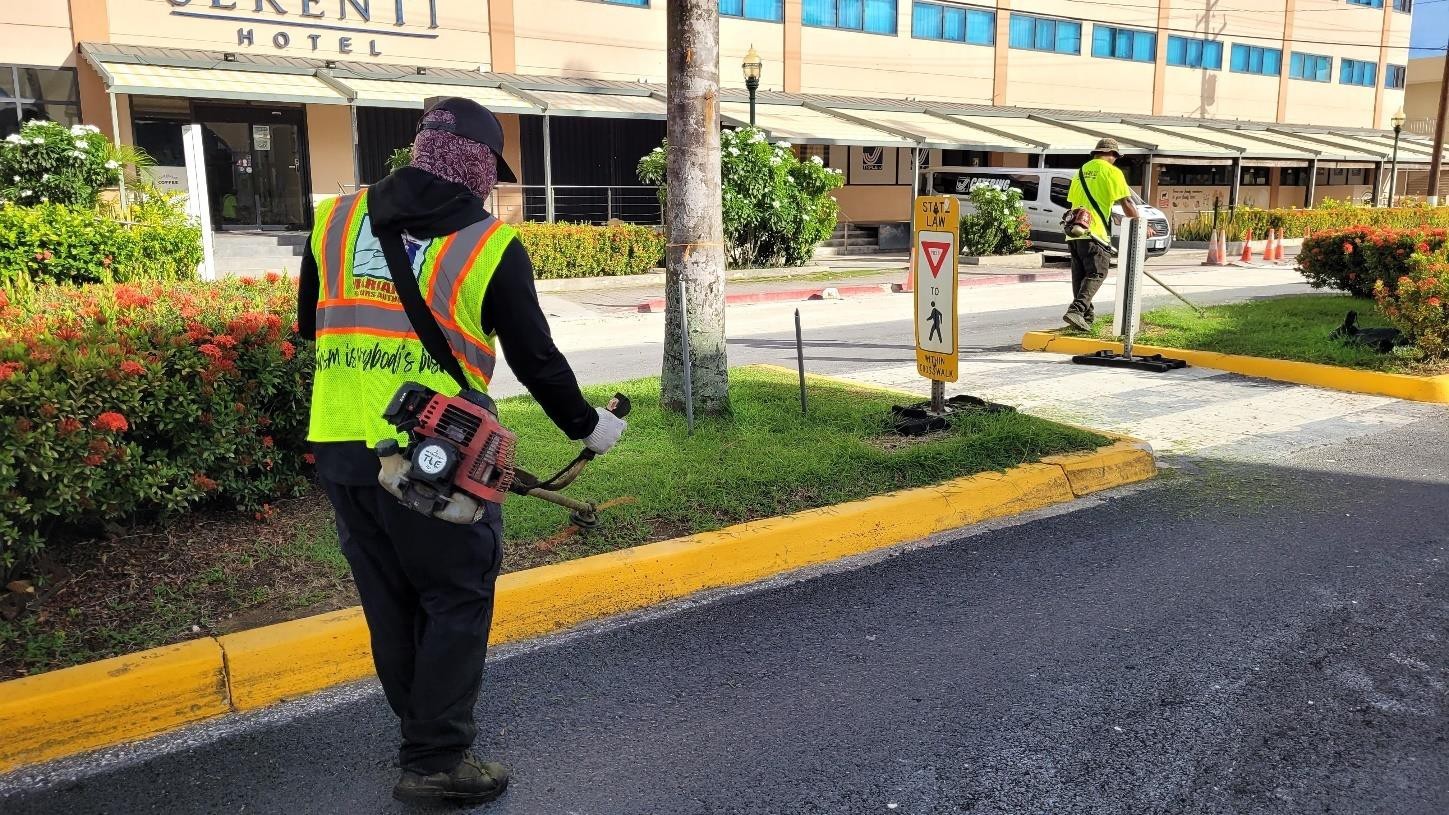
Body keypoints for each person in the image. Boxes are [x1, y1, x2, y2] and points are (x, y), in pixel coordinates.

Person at [296, 97, 627, 806]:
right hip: (435, 452)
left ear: (419, 152)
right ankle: (437, 757)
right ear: (478, 166)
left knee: (388, 595)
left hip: (342, 446)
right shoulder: (489, 244)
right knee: (455, 589)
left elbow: (306, 324)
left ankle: (420, 723)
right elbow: (535, 358)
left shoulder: (332, 219)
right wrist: (585, 425)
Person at [1064, 137, 1138, 331]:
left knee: (1080, 277)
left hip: (1074, 231)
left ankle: (1085, 320)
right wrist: (1139, 223)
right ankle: (1077, 310)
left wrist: (1110, 215)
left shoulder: (1080, 172)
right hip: (1094, 233)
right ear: (1113, 155)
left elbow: (1077, 203)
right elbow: (1127, 203)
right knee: (1097, 272)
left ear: (1096, 153)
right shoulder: (1112, 172)